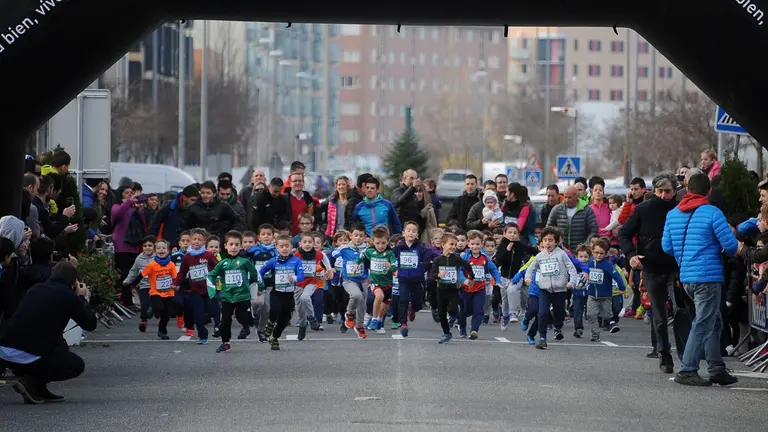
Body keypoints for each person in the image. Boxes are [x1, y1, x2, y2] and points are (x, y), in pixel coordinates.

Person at [662, 173, 739, 386]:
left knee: (713, 321)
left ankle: (716, 368)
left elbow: (667, 247)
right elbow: (731, 246)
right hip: (708, 276)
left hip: (686, 276)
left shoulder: (673, 214)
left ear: (687, 190)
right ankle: (687, 369)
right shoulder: (713, 213)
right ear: (709, 191)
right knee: (705, 323)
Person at [619, 172, 691, 371]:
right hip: (650, 267)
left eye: (667, 191)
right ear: (654, 190)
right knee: (658, 314)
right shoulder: (643, 209)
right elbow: (624, 233)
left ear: (674, 191)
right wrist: (631, 255)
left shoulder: (681, 209)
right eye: (659, 191)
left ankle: (686, 356)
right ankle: (663, 352)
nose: (663, 195)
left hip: (675, 268)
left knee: (680, 310)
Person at [0, 261, 97, 404]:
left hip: (6, 349)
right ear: (74, 281)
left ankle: (40, 389)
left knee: (60, 345)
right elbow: (90, 324)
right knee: (75, 364)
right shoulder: (67, 295)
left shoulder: (36, 288)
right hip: (29, 353)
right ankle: (31, 382)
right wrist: (81, 297)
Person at [525, 227, 578, 349]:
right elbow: (530, 268)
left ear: (556, 242)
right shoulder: (540, 256)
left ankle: (558, 327)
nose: (547, 243)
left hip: (560, 290)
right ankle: (542, 338)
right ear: (541, 242)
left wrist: (572, 282)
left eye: (550, 240)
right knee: (542, 313)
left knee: (559, 315)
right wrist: (528, 278)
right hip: (544, 290)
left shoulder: (562, 254)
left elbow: (571, 268)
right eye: (545, 240)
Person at [207, 231, 259, 353]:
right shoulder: (222, 263)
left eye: (236, 244)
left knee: (244, 317)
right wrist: (212, 292)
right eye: (231, 244)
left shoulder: (245, 262)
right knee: (225, 321)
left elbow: (254, 274)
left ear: (240, 246)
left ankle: (247, 324)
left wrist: (254, 286)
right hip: (227, 296)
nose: (234, 247)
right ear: (225, 246)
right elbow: (211, 275)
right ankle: (225, 343)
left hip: (242, 296)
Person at [259, 234, 305, 351]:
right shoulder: (273, 261)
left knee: (284, 320)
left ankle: (274, 337)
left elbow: (301, 277)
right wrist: (261, 284)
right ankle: (270, 323)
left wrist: (294, 278)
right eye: (281, 246)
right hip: (277, 292)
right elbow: (261, 271)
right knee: (275, 310)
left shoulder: (296, 261)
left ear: (291, 247)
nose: (284, 249)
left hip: (289, 294)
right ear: (277, 248)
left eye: (287, 246)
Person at [433, 232, 474, 344]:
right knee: (441, 313)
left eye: (455, 245)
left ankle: (455, 313)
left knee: (452, 309)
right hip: (441, 290)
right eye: (451, 244)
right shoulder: (438, 260)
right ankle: (447, 333)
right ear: (443, 245)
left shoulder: (456, 259)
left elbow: (467, 266)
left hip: (453, 290)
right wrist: (438, 275)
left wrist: (471, 277)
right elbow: (432, 274)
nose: (453, 247)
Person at [355, 226, 397, 334]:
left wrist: (390, 267)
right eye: (377, 243)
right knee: (379, 296)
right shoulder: (369, 251)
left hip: (387, 283)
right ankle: (374, 319)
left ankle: (379, 320)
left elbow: (394, 265)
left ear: (387, 242)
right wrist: (356, 264)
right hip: (375, 281)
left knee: (385, 307)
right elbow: (362, 255)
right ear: (373, 241)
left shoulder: (390, 253)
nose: (380, 246)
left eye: (383, 243)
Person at [546, 186, 599, 252]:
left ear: (577, 196)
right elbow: (548, 229)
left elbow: (594, 230)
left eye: (570, 197)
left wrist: (585, 245)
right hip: (560, 250)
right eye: (565, 197)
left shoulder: (587, 210)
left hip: (581, 253)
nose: (567, 200)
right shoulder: (556, 209)